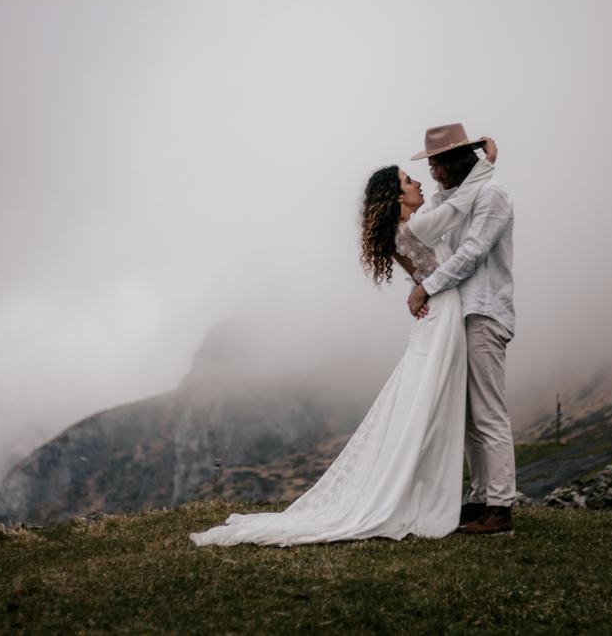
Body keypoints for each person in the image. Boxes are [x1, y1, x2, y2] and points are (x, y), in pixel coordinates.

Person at [189, 137, 499, 547]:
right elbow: (456, 208)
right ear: (397, 196)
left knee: (432, 404)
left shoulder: (407, 226)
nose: (419, 183)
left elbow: (447, 206)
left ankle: (427, 491)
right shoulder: (417, 226)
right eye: (410, 181)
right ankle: (424, 495)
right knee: (432, 405)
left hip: (439, 316)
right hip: (441, 319)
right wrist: (488, 165)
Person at [406, 123, 516, 535]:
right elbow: (435, 226)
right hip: (461, 314)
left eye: (437, 163)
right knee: (469, 414)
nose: (432, 172)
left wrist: (426, 288)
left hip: (484, 312)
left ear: (456, 160)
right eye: (429, 164)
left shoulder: (492, 195)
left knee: (488, 410)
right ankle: (481, 499)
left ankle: (501, 508)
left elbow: (471, 254)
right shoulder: (454, 198)